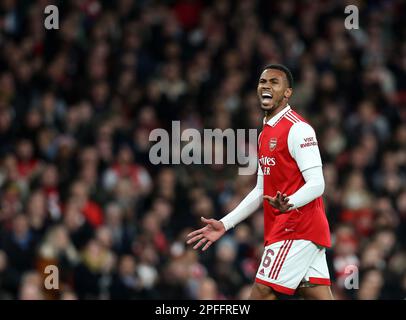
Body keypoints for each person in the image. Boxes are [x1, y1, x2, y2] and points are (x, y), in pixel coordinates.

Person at [186, 64, 333, 300]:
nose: (266, 86)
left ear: (288, 92)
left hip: (295, 227)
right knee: (317, 296)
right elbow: (261, 190)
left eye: (274, 82)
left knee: (262, 293)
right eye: (263, 82)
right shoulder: (265, 133)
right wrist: (225, 224)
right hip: (296, 229)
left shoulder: (298, 129)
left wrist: (290, 203)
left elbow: (317, 183)